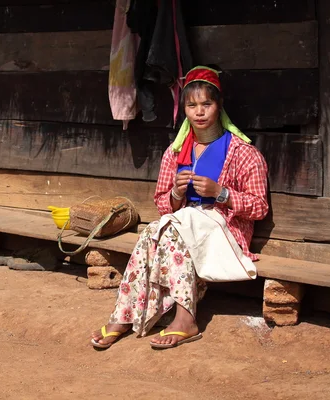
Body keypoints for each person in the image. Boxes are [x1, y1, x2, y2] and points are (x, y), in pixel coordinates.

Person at [91, 65, 269, 350]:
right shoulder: (175, 153)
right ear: (184, 109)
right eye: (192, 105)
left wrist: (221, 193)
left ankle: (184, 318)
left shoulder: (244, 154)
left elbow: (259, 207)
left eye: (206, 104)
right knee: (152, 231)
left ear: (219, 106)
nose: (199, 112)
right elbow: (163, 204)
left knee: (171, 232)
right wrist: (175, 191)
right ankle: (124, 315)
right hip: (184, 225)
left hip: (225, 232)